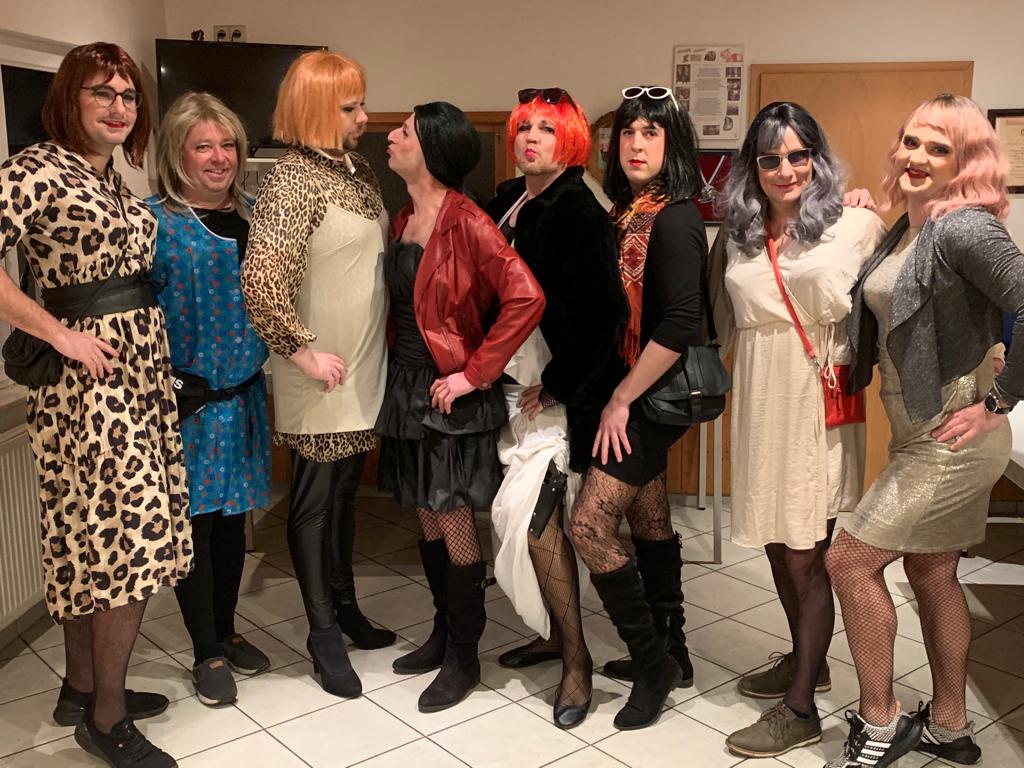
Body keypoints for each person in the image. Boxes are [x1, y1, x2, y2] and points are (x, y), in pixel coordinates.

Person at [0, 42, 191, 768]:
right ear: (69, 99)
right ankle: (107, 720)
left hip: (137, 381)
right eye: (101, 92)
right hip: (90, 389)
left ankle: (82, 689)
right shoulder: (34, 169)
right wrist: (59, 334)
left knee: (89, 541)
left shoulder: (113, 178)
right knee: (127, 543)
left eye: (129, 95)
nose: (119, 107)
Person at [824, 93, 1024, 768]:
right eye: (911, 141)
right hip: (917, 432)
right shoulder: (908, 226)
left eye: (940, 149)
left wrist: (999, 402)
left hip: (954, 438)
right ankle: (949, 725)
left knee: (849, 561)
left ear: (968, 162)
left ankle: (880, 723)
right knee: (933, 572)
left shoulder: (966, 228)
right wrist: (858, 208)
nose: (918, 156)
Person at [709, 102, 886, 758]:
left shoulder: (855, 223)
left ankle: (802, 707)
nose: (786, 170)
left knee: (807, 554)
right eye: (770, 159)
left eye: (798, 155)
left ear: (817, 157)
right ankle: (804, 657)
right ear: (751, 168)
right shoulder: (740, 233)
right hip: (759, 398)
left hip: (816, 399)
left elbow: (894, 294)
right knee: (776, 542)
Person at [377, 101, 545, 713]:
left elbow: (527, 297)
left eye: (404, 132)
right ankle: (444, 631)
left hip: (449, 390)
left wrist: (475, 374)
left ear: (430, 148)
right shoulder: (404, 217)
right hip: (407, 385)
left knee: (452, 519)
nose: (391, 137)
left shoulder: (468, 221)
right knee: (426, 514)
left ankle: (465, 655)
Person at [241, 50, 395, 701]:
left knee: (344, 498)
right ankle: (323, 633)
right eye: (350, 107)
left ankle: (346, 606)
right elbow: (260, 280)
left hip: (362, 368)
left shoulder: (358, 172)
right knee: (312, 503)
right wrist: (303, 354)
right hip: (322, 375)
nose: (364, 117)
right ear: (315, 110)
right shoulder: (292, 179)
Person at [484, 87, 628, 729]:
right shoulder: (507, 200)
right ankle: (548, 634)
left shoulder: (579, 209)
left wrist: (561, 385)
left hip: (558, 397)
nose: (531, 138)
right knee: (518, 521)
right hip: (510, 389)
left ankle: (577, 661)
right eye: (524, 128)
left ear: (568, 141)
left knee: (537, 523)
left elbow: (605, 315)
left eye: (546, 129)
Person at [567, 86, 705, 731]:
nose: (636, 144)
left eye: (651, 132)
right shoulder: (626, 212)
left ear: (673, 144)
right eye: (628, 132)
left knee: (589, 526)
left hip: (649, 397)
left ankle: (652, 666)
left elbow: (678, 324)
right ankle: (674, 649)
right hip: (627, 389)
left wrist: (622, 399)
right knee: (648, 516)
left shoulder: (674, 217)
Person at [149, 92, 272, 707]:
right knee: (194, 529)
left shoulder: (255, 217)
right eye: (204, 146)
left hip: (243, 398)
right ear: (178, 153)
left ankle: (226, 629)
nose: (219, 157)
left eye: (228, 145)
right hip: (187, 407)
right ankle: (206, 652)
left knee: (231, 527)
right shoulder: (154, 223)